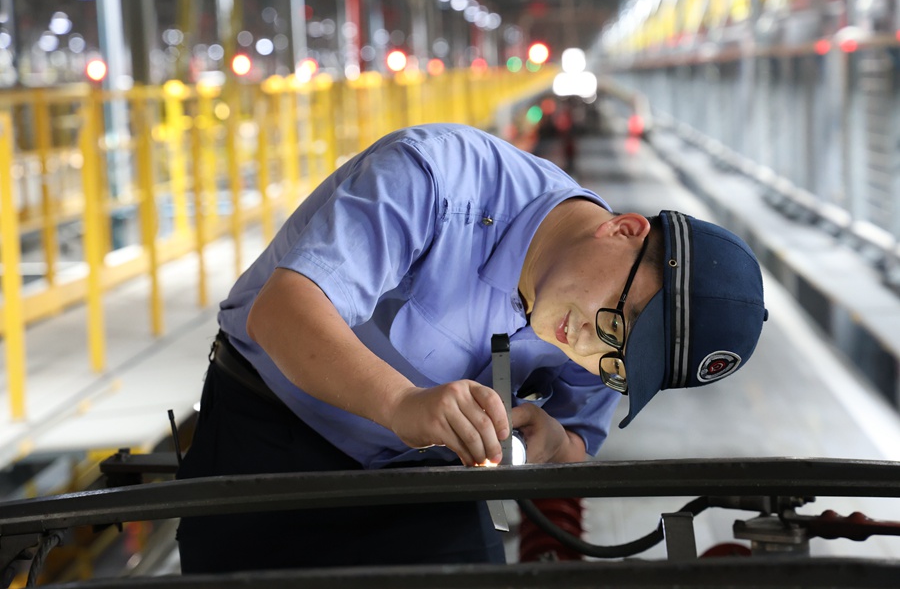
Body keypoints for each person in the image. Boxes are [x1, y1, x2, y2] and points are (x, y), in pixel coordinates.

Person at [175, 123, 767, 573]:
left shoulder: (605, 348)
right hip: (269, 435)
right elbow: (282, 311)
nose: (591, 344)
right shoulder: (434, 178)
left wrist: (555, 443)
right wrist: (402, 403)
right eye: (620, 318)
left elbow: (575, 445)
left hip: (426, 477)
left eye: (619, 363)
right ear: (623, 229)